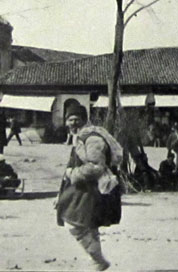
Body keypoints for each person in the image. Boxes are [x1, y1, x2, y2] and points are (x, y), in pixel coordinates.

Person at [55, 105, 123, 271]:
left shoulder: (92, 138)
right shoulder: (79, 137)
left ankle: (98, 261)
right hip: (82, 190)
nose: (72, 123)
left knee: (76, 224)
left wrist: (73, 174)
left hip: (91, 191)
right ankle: (97, 261)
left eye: (76, 119)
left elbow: (95, 167)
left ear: (84, 120)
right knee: (88, 226)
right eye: (70, 119)